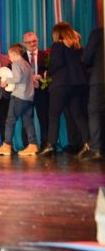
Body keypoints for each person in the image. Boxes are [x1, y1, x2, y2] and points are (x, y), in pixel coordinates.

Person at [39, 22, 90, 157]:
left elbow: (56, 64)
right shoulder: (77, 47)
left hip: (61, 85)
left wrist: (47, 73)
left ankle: (51, 146)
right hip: (77, 85)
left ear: (57, 33)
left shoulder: (58, 46)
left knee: (53, 115)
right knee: (78, 115)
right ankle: (88, 144)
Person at [0, 44, 39, 156]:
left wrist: (6, 81)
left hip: (18, 97)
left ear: (14, 54)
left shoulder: (16, 64)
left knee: (10, 121)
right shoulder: (26, 64)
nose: (9, 58)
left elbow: (17, 79)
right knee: (28, 121)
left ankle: (6, 145)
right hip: (29, 98)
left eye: (9, 55)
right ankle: (33, 145)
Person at [21, 31, 49, 149]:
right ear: (24, 43)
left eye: (34, 41)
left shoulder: (46, 55)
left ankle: (45, 146)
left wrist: (40, 78)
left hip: (42, 92)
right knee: (26, 120)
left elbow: (51, 71)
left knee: (44, 119)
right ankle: (28, 146)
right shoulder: (20, 58)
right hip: (26, 94)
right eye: (29, 42)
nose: (32, 44)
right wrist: (29, 79)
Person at [80, 28, 103, 161]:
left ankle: (96, 149)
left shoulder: (98, 33)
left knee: (94, 112)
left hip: (99, 79)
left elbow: (86, 58)